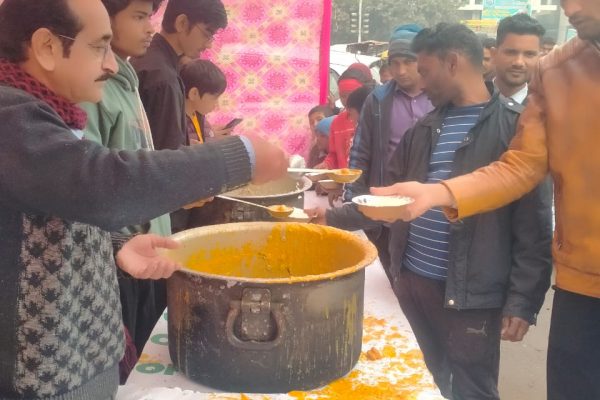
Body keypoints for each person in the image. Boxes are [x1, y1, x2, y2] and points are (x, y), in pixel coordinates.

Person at [0, 0, 287, 398]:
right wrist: (241, 156)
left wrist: (113, 245)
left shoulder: (48, 114)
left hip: (78, 363)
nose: (111, 65)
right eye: (99, 47)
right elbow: (100, 184)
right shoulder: (10, 117)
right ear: (47, 46)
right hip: (40, 378)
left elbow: (46, 216)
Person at [370, 1, 600, 399]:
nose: (570, 7)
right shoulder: (556, 71)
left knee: (473, 384)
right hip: (582, 284)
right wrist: (439, 193)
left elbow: (532, 224)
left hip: (473, 295)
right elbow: (521, 168)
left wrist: (521, 299)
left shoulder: (506, 120)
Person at [78, 0, 174, 378]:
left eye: (150, 17)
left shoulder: (127, 80)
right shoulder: (92, 90)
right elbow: (91, 185)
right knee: (130, 374)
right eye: (138, 17)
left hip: (147, 253)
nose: (150, 28)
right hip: (122, 260)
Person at [308, 29, 433, 281]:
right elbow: (360, 154)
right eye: (394, 63)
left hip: (430, 204)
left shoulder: (439, 96)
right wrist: (353, 203)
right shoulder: (378, 100)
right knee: (390, 275)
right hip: (385, 207)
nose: (400, 71)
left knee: (421, 273)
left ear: (422, 60)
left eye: (408, 62)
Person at [131, 0, 228, 151]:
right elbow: (167, 155)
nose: (209, 44)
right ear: (182, 23)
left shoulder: (148, 57)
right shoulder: (164, 78)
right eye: (207, 33)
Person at [492, 13, 545, 104]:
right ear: (494, 54)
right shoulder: (471, 100)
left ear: (539, 58)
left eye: (529, 54)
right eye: (511, 53)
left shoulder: (548, 108)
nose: (518, 62)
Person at [180, 59, 229, 144]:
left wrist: (212, 135)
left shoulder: (199, 115)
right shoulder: (176, 124)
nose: (217, 105)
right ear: (194, 93)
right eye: (214, 98)